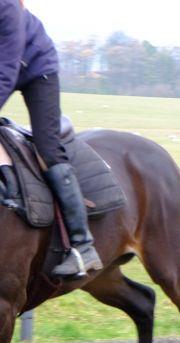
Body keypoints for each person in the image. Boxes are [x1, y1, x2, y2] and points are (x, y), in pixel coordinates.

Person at [0, 0, 102, 278]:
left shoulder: (6, 6)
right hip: (7, 67)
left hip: (35, 68)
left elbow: (6, 71)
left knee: (47, 149)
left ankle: (83, 246)